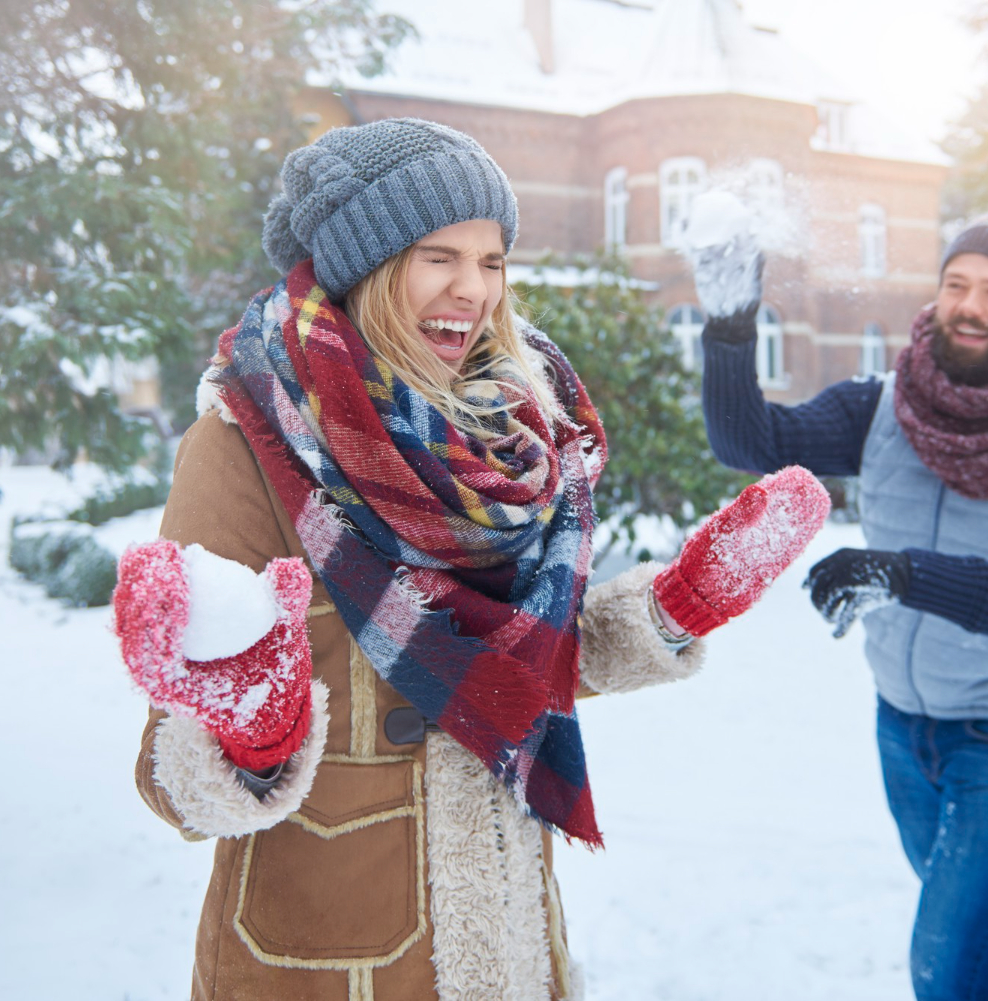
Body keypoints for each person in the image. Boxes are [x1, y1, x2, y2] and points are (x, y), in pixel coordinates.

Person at [110, 118, 831, 1001]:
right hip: (337, 966)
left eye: (492, 261)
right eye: (438, 256)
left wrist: (673, 607)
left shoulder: (514, 438)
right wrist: (253, 728)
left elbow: (511, 667)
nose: (474, 289)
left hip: (509, 943)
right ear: (367, 268)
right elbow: (168, 779)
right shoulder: (249, 441)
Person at [690, 189, 988, 1001]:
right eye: (956, 283)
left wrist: (904, 575)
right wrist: (729, 326)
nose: (968, 306)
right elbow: (752, 441)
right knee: (984, 950)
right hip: (902, 726)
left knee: (949, 966)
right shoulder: (886, 404)